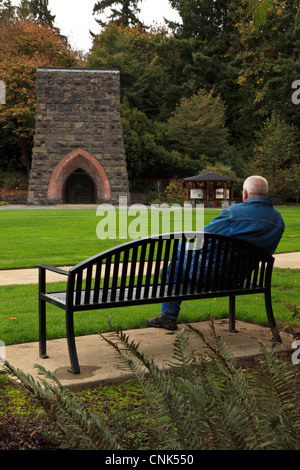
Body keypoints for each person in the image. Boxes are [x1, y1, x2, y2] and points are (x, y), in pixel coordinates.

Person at [146, 175, 285, 331]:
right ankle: (170, 293)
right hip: (239, 278)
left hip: (214, 277)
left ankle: (168, 315)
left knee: (178, 257)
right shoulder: (278, 220)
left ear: (245, 193)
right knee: (178, 266)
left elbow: (200, 239)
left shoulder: (234, 213)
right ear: (266, 193)